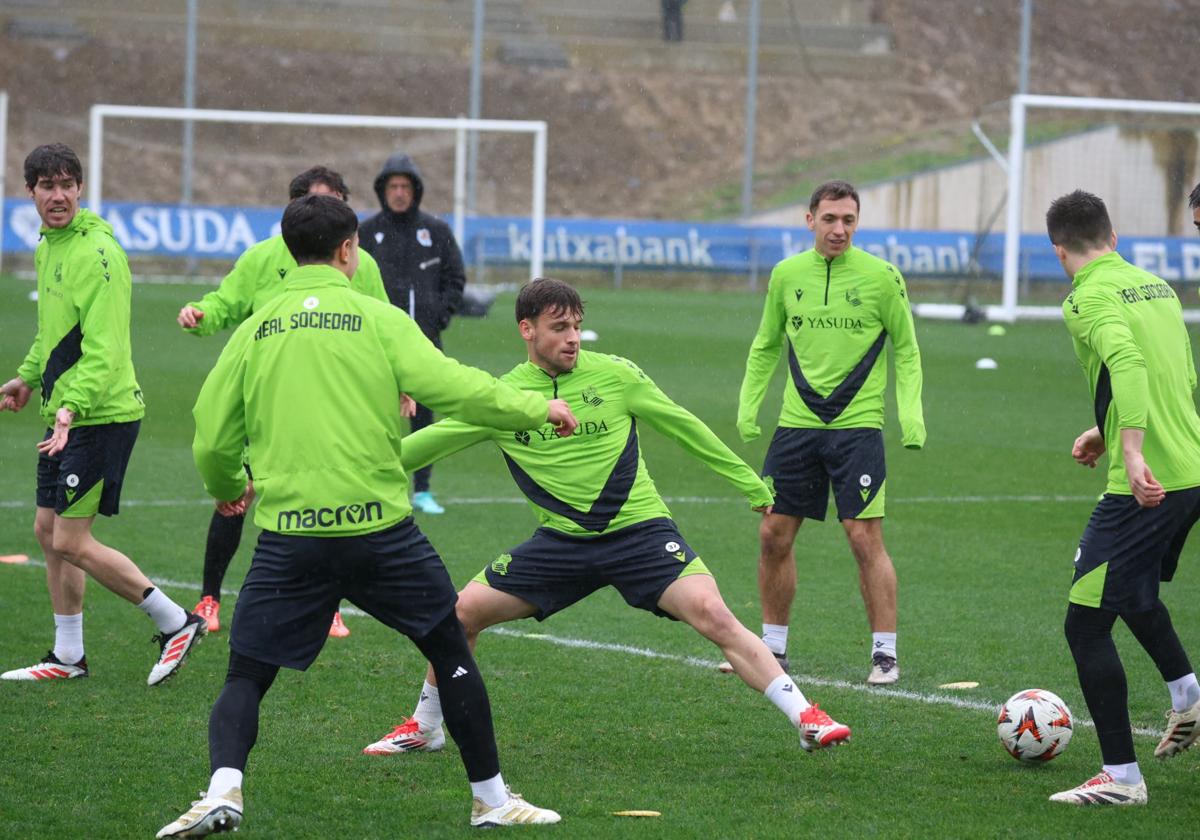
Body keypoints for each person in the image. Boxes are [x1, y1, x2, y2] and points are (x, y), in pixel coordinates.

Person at [157, 195, 572, 838]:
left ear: (288, 251)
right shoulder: (376, 319)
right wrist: (533, 409)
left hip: (290, 533)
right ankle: (491, 799)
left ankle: (223, 789)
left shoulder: (256, 327)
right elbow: (454, 385)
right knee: (448, 648)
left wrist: (226, 487)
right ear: (349, 249)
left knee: (246, 672)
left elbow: (211, 434)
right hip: (379, 530)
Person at [362, 277, 851, 760]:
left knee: (714, 614)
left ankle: (806, 716)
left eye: (576, 326)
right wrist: (356, 473)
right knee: (461, 614)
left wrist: (747, 481)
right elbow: (428, 444)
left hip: (640, 534)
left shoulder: (615, 376)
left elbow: (684, 426)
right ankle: (426, 726)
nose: (572, 337)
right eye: (558, 327)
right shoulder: (506, 398)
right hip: (561, 545)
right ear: (526, 330)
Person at [0, 143, 205, 686]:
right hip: (68, 411)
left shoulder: (98, 254)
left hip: (100, 414)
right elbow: (55, 334)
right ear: (31, 193)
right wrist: (28, 376)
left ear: (81, 189)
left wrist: (69, 406)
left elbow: (105, 348)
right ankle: (68, 656)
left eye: (67, 184)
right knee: (48, 531)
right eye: (47, 185)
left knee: (69, 538)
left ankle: (176, 621)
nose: (58, 195)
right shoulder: (50, 246)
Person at [176, 165, 390, 640]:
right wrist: (201, 314)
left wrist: (404, 384)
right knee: (238, 493)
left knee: (328, 494)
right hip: (269, 395)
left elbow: (386, 326)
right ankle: (209, 597)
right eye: (317, 203)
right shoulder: (262, 259)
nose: (327, 214)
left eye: (337, 203)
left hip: (333, 398)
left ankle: (329, 603)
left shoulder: (364, 265)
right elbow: (228, 303)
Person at [734, 180, 925, 686]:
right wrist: (749, 407)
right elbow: (766, 344)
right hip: (796, 427)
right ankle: (772, 649)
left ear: (857, 223)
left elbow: (905, 348)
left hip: (857, 428)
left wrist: (912, 416)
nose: (839, 229)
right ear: (810, 219)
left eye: (849, 220)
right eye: (830, 219)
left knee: (863, 537)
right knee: (773, 532)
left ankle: (884, 654)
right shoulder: (786, 275)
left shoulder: (883, 278)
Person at [1044, 190, 1200, 806]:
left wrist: (1131, 452)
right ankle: (1188, 697)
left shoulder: (1085, 297)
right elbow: (1178, 375)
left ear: (1059, 251)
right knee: (1133, 593)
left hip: (1148, 482)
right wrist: (1106, 432)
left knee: (1084, 624)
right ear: (1113, 235)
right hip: (1191, 467)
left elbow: (1129, 365)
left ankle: (1122, 778)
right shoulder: (1156, 286)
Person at [360, 153, 466, 515]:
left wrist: (438, 315)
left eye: (406, 186)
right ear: (382, 190)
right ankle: (376, 482)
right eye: (393, 186)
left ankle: (422, 489)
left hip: (423, 339)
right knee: (374, 412)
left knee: (423, 415)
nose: (400, 193)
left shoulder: (436, 232)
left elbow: (455, 279)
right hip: (374, 341)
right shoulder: (365, 233)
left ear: (415, 190)